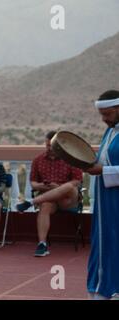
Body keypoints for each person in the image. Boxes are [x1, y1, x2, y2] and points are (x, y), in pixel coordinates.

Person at [16, 131, 83, 257]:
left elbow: (77, 181)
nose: (49, 148)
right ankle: (42, 244)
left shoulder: (70, 159)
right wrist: (43, 186)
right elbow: (33, 183)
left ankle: (31, 202)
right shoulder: (38, 160)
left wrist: (58, 187)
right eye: (47, 145)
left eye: (52, 146)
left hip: (68, 199)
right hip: (48, 197)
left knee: (69, 186)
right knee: (45, 206)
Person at [84, 90, 119, 300]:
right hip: (105, 201)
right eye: (102, 115)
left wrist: (103, 171)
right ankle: (102, 287)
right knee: (104, 242)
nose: (104, 119)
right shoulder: (111, 132)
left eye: (107, 114)